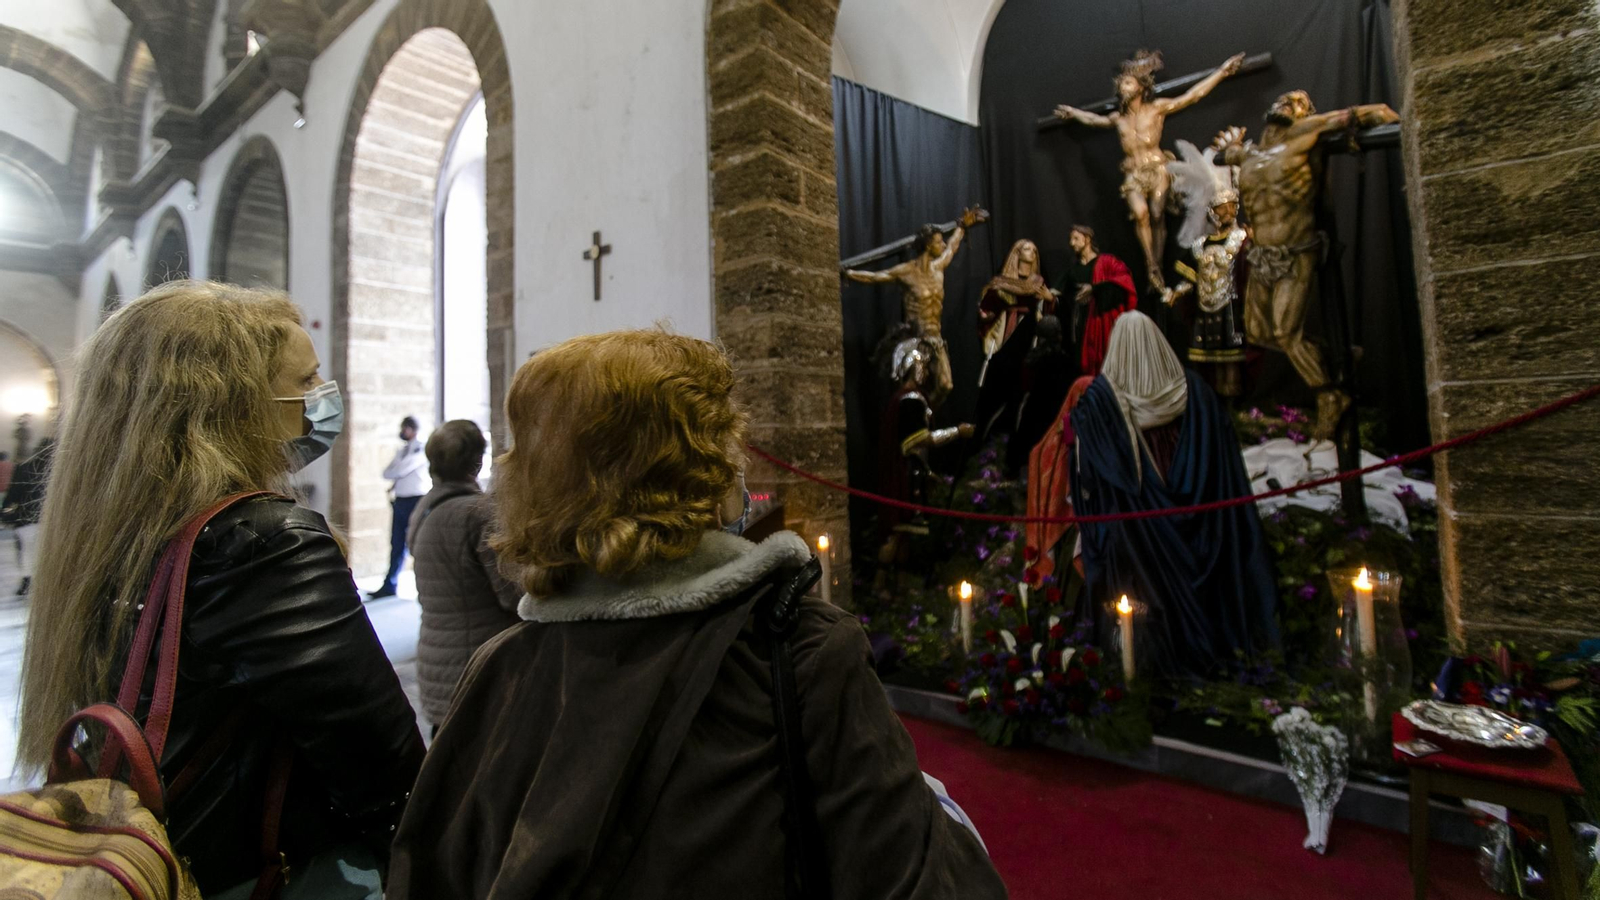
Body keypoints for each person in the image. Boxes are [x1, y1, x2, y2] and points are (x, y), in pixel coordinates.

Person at [388, 329, 1005, 900]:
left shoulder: (497, 669)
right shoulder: (798, 647)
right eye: (723, 441)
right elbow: (915, 881)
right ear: (695, 470)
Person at [16, 282, 425, 898]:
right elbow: (382, 767)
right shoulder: (265, 541)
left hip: (164, 849)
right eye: (307, 382)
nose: (323, 399)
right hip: (261, 868)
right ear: (232, 407)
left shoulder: (113, 526)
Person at [1069, 311, 1278, 679]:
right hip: (1204, 543)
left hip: (1139, 549)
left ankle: (1136, 664)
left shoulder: (1101, 404)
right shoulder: (1197, 394)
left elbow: (1089, 478)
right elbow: (1223, 468)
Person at [1217, 93, 1399, 438]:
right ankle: (1337, 354)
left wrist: (1403, 127)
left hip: (1296, 250)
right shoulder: (1250, 153)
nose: (1289, 101)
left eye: (1299, 101)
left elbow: (1378, 112)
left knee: (1286, 332)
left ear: (1306, 114)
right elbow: (1219, 157)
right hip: (1262, 254)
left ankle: (1330, 397)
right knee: (1256, 332)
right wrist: (1231, 151)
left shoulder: (1308, 132)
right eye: (1285, 98)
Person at [1054, 50, 1245, 289]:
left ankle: (1157, 266)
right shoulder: (1118, 119)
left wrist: (1222, 72)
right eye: (1122, 83)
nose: (1123, 87)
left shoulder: (1156, 109)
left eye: (1128, 82)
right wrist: (1073, 113)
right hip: (1133, 173)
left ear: (1141, 86)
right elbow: (1094, 120)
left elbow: (1192, 96)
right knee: (1141, 213)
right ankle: (1151, 264)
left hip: (1157, 168)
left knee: (1156, 214)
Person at [406, 419, 521, 734]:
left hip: (437, 662)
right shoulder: (477, 513)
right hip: (477, 666)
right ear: (478, 460)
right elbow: (512, 595)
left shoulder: (425, 509)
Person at [842, 206, 989, 407]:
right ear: (928, 245)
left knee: (946, 385)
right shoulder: (907, 272)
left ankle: (925, 416)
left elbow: (953, 246)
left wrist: (963, 226)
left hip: (935, 339)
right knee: (911, 390)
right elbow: (876, 277)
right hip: (915, 341)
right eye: (938, 242)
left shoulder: (939, 268)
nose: (942, 244)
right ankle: (909, 422)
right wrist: (849, 274)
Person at [1056, 225, 1137, 377]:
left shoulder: (1107, 262)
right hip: (1081, 320)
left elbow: (1124, 280)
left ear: (1087, 239)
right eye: (1070, 239)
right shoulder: (1073, 270)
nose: (1071, 243)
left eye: (1076, 239)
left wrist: (1095, 288)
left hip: (1103, 319)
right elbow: (1056, 291)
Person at [370, 415, 429, 598]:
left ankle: (425, 585)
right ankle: (390, 584)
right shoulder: (402, 451)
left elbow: (401, 470)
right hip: (401, 500)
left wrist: (396, 470)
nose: (402, 432)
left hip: (416, 500)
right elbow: (387, 473)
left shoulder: (420, 448)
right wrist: (396, 471)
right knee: (396, 543)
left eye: (405, 428)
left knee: (418, 543)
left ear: (412, 429)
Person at [1, 439, 53, 597]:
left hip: (26, 520)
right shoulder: (58, 471)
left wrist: (5, 509)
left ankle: (26, 582)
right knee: (45, 552)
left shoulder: (24, 468)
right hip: (49, 520)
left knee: (25, 551)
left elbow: (14, 492)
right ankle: (43, 581)